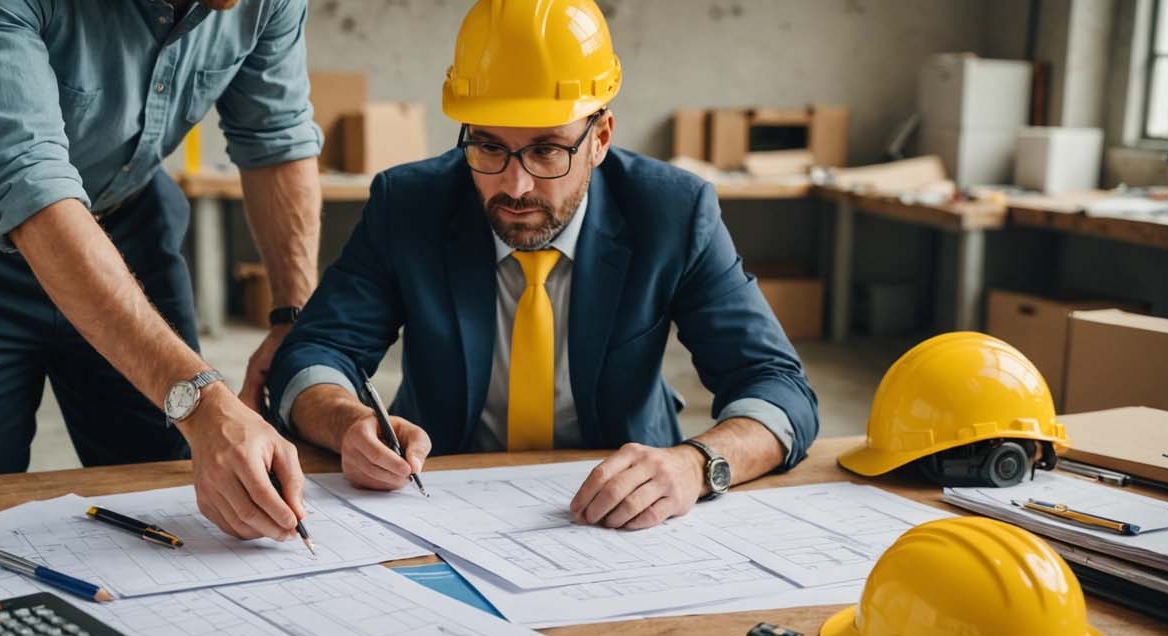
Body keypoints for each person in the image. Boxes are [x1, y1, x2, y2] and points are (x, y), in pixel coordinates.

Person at [269, 0, 818, 529]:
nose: (515, 186)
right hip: (437, 497)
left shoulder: (673, 211)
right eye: (488, 147)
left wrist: (696, 465)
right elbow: (314, 353)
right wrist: (347, 421)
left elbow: (778, 387)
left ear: (600, 138)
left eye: (547, 150)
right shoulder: (408, 204)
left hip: (622, 512)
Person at [0, 0, 315, 540]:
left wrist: (294, 320)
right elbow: (27, 185)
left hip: (124, 214)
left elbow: (277, 136)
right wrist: (201, 401)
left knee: (176, 481)